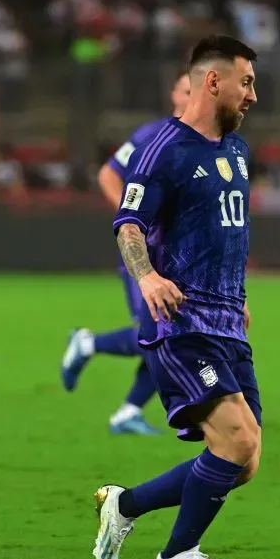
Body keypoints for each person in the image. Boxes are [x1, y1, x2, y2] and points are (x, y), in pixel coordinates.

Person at [91, 35, 258, 559]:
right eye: (247, 82)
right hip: (183, 321)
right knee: (236, 440)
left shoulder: (235, 150)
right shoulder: (164, 148)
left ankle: (126, 506)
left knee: (244, 462)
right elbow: (129, 223)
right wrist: (147, 278)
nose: (253, 96)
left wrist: (241, 297)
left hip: (228, 320)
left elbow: (227, 234)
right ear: (214, 81)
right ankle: (176, 555)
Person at [61, 71, 191, 435]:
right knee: (160, 331)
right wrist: (133, 220)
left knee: (169, 335)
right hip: (145, 254)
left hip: (181, 257)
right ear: (174, 95)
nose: (192, 96)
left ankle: (128, 412)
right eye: (186, 89)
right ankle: (89, 343)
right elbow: (108, 175)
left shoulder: (205, 141)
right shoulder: (152, 135)